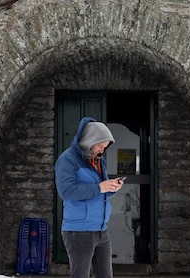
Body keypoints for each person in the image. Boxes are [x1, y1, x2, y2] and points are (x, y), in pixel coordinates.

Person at [55, 116, 124, 278]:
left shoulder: (99, 161)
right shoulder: (67, 160)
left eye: (105, 147)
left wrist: (111, 187)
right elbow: (66, 191)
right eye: (100, 146)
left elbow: (98, 192)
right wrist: (100, 187)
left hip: (101, 230)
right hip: (79, 231)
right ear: (88, 141)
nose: (102, 150)